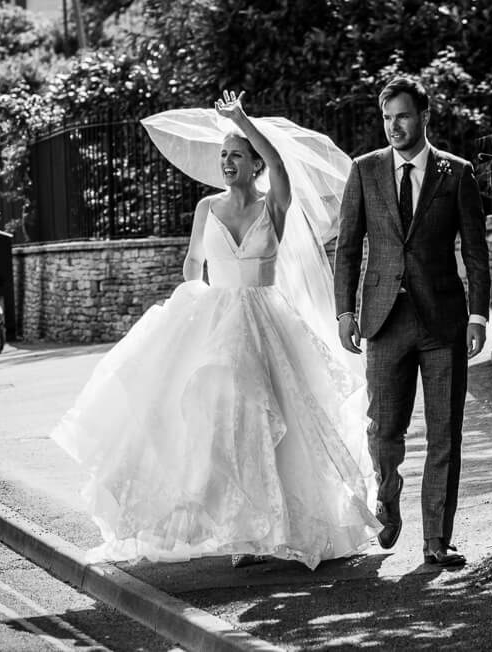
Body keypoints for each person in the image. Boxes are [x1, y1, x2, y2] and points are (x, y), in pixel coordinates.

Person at [50, 92, 375, 571]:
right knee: (224, 423)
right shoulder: (206, 208)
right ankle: (240, 527)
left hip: (267, 319)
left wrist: (243, 119)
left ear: (254, 164)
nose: (226, 162)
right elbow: (192, 267)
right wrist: (196, 308)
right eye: (222, 155)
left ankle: (279, 525)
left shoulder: (275, 205)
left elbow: (281, 166)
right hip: (218, 322)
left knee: (277, 420)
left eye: (235, 155)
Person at [333, 77, 491, 568]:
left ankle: (435, 541)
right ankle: (389, 491)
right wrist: (344, 311)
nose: (393, 126)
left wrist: (478, 315)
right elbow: (348, 246)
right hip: (383, 320)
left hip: (443, 321)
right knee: (384, 429)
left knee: (446, 432)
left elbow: (475, 251)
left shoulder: (456, 173)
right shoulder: (365, 170)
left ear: (424, 116)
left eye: (401, 116)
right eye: (386, 118)